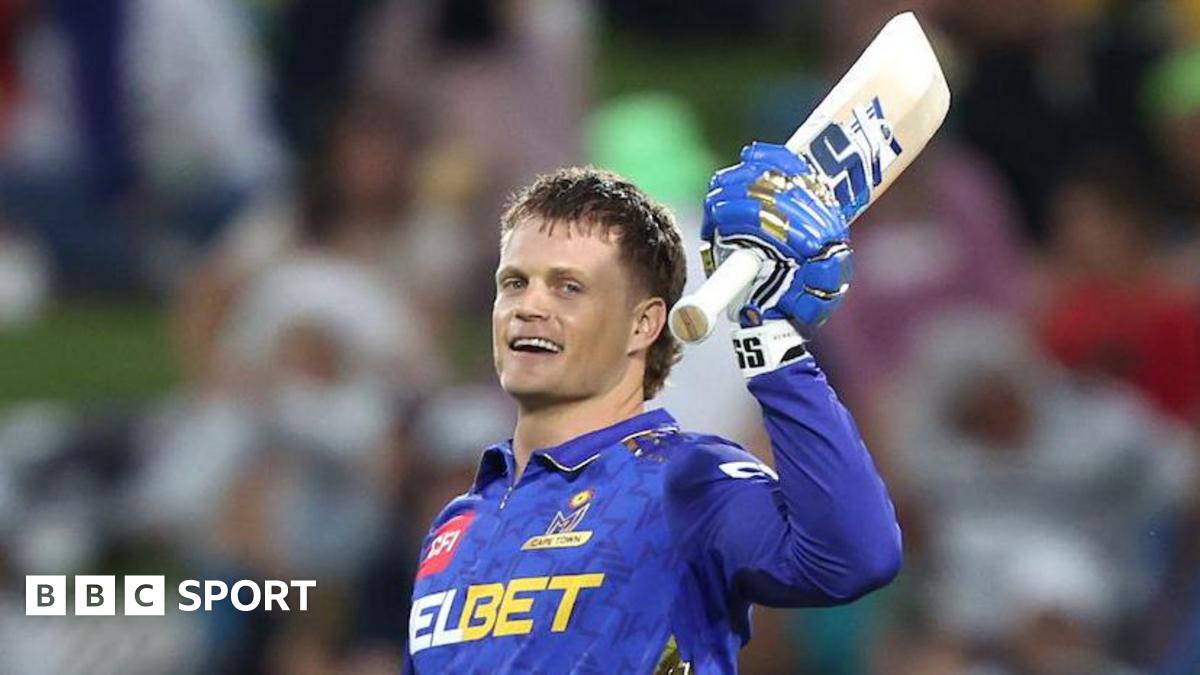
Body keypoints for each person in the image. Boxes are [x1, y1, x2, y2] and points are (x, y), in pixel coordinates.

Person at [404, 143, 901, 673]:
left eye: (568, 287)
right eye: (515, 283)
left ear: (642, 325)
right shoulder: (456, 524)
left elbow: (854, 556)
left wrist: (771, 338)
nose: (529, 305)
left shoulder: (683, 480)